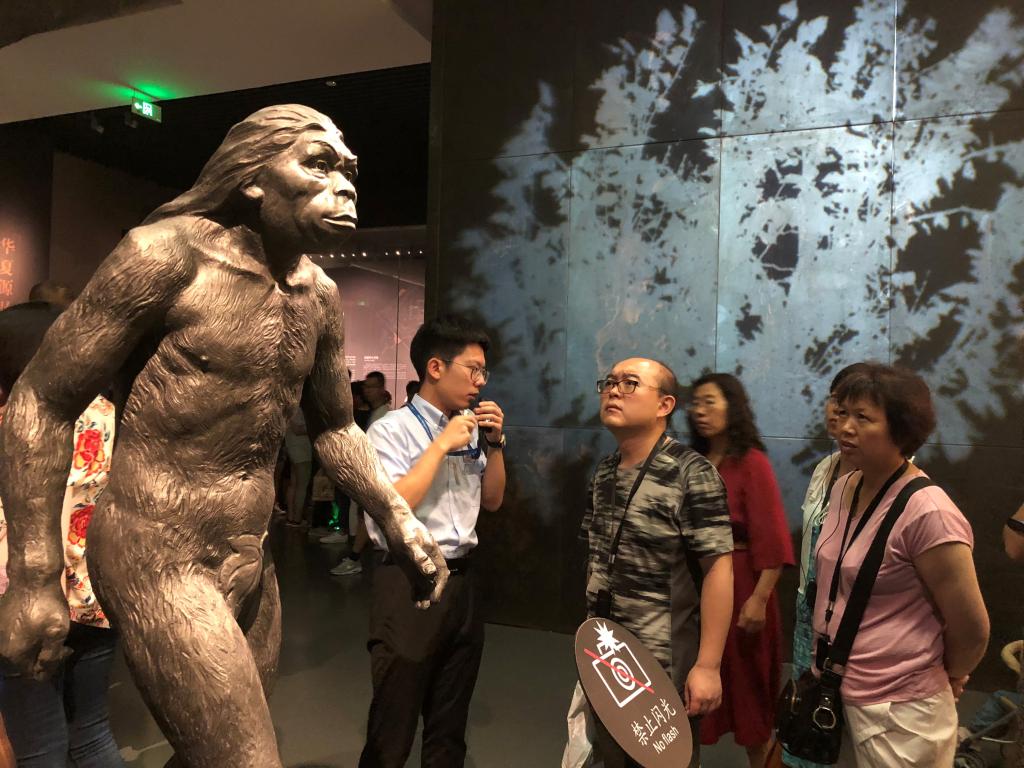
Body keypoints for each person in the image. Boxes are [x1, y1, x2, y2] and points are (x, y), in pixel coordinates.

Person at [0, 105, 447, 768]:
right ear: (252, 178)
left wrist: (394, 513)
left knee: (205, 755)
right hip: (157, 551)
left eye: (350, 171)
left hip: (250, 555)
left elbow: (335, 428)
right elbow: (41, 399)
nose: (345, 186)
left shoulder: (319, 295)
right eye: (319, 164)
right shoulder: (165, 256)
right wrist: (34, 574)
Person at [812, 363, 989, 766]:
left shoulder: (928, 512)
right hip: (838, 690)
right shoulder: (845, 485)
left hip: (902, 708)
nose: (845, 427)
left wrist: (951, 674)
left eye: (863, 418)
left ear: (902, 429)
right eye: (843, 412)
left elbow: (972, 628)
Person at [358, 314, 506, 768]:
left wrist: (496, 444)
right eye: (473, 369)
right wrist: (440, 446)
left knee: (449, 724)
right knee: (393, 724)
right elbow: (391, 506)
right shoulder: (389, 429)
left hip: (463, 583)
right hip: (409, 582)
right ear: (436, 367)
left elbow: (493, 500)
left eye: (484, 372)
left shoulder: (470, 427)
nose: (480, 382)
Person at [580, 358, 733, 768]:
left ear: (665, 405)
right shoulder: (605, 472)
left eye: (630, 383)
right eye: (610, 382)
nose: (614, 390)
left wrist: (708, 665)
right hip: (607, 656)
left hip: (663, 663)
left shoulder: (691, 472)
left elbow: (719, 569)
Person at [0, 303, 124, 766]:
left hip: (22, 604)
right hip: (98, 593)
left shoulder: (11, 422)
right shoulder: (114, 417)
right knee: (92, 734)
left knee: (40, 748)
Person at [689, 372, 794, 768]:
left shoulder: (752, 462)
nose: (700, 411)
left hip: (742, 587)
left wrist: (759, 599)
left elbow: (773, 536)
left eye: (710, 401)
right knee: (690, 690)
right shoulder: (692, 461)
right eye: (696, 403)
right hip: (696, 587)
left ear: (732, 407)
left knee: (750, 695)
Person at [783, 363, 868, 768]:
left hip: (858, 624)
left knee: (857, 730)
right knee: (808, 720)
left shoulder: (897, 479)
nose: (840, 414)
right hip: (810, 611)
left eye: (857, 410)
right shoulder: (825, 467)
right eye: (836, 401)